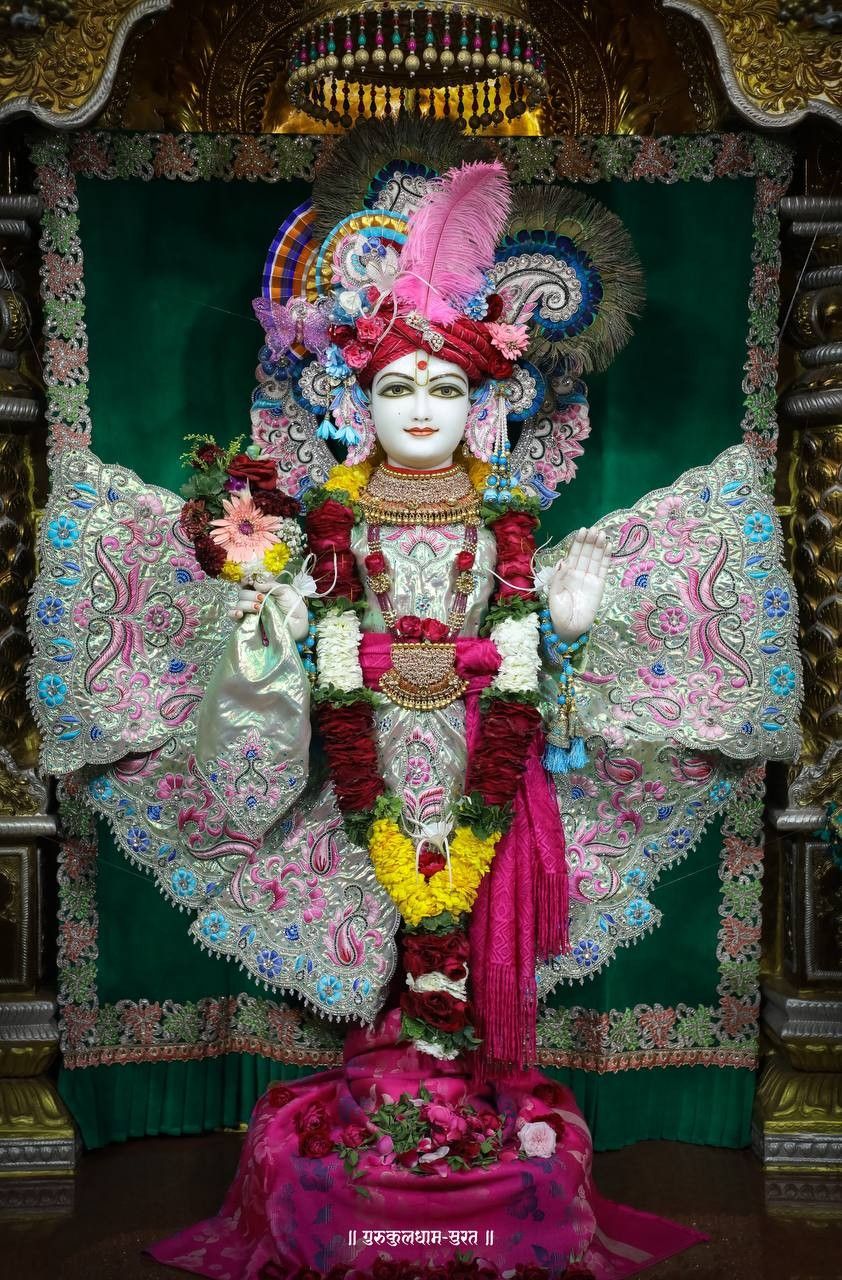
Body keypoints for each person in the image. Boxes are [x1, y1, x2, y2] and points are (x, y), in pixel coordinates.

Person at [28, 120, 800, 1279]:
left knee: (465, 888)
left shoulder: (507, 524)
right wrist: (274, 631)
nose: (424, 406)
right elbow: (296, 639)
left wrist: (565, 621)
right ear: (357, 401)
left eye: (446, 385)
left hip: (483, 747)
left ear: (482, 404)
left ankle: (452, 1077)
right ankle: (399, 1076)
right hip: (362, 754)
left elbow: (530, 644)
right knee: (374, 877)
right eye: (398, 386)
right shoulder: (324, 521)